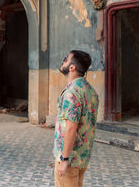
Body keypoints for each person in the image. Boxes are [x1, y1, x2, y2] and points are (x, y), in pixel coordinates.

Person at [53, 50, 99, 187]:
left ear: (72, 67)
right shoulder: (90, 90)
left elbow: (71, 128)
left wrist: (64, 159)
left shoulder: (72, 93)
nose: (63, 61)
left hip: (70, 159)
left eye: (66, 59)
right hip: (82, 157)